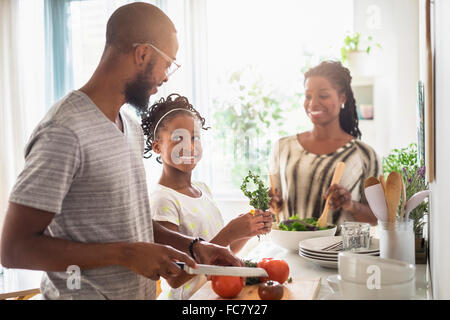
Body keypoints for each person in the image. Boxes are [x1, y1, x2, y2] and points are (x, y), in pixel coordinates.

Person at [0, 2, 241, 300]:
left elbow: (135, 223)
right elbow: (14, 249)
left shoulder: (130, 124)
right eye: (167, 64)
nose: (166, 77)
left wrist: (192, 246)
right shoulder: (63, 130)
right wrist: (126, 254)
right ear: (143, 54)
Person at [140, 93, 273, 299]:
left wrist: (247, 231)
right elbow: (174, 277)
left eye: (195, 137)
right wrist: (228, 233)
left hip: (217, 294)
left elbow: (222, 253)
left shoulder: (202, 189)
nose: (189, 146)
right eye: (178, 138)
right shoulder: (163, 200)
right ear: (157, 147)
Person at [269, 60, 380, 228]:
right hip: (290, 250)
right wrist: (272, 203)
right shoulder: (283, 147)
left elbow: (377, 218)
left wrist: (350, 204)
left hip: (338, 253)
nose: (313, 104)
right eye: (308, 96)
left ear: (343, 98)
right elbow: (274, 208)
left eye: (323, 95)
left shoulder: (364, 155)